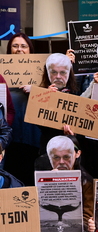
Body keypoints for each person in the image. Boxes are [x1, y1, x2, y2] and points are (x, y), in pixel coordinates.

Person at [33, 135, 94, 232]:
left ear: (75, 155)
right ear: (50, 158)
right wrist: (47, 185)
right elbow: (35, 211)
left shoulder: (86, 181)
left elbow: (87, 219)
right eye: (56, 157)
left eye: (66, 157)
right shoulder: (42, 178)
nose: (61, 162)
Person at [4, 32, 41, 186]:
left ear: (30, 50)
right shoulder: (2, 70)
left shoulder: (41, 71)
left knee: (31, 176)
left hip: (33, 134)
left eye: (23, 46)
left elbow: (53, 97)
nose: (19, 49)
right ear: (9, 50)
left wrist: (36, 90)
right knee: (10, 176)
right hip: (9, 134)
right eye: (15, 46)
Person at [38, 53, 79, 154]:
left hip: (71, 148)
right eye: (54, 72)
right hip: (47, 147)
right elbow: (36, 121)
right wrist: (46, 97)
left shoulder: (77, 93)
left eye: (63, 73)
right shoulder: (40, 93)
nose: (58, 77)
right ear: (47, 73)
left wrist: (74, 132)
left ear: (69, 73)